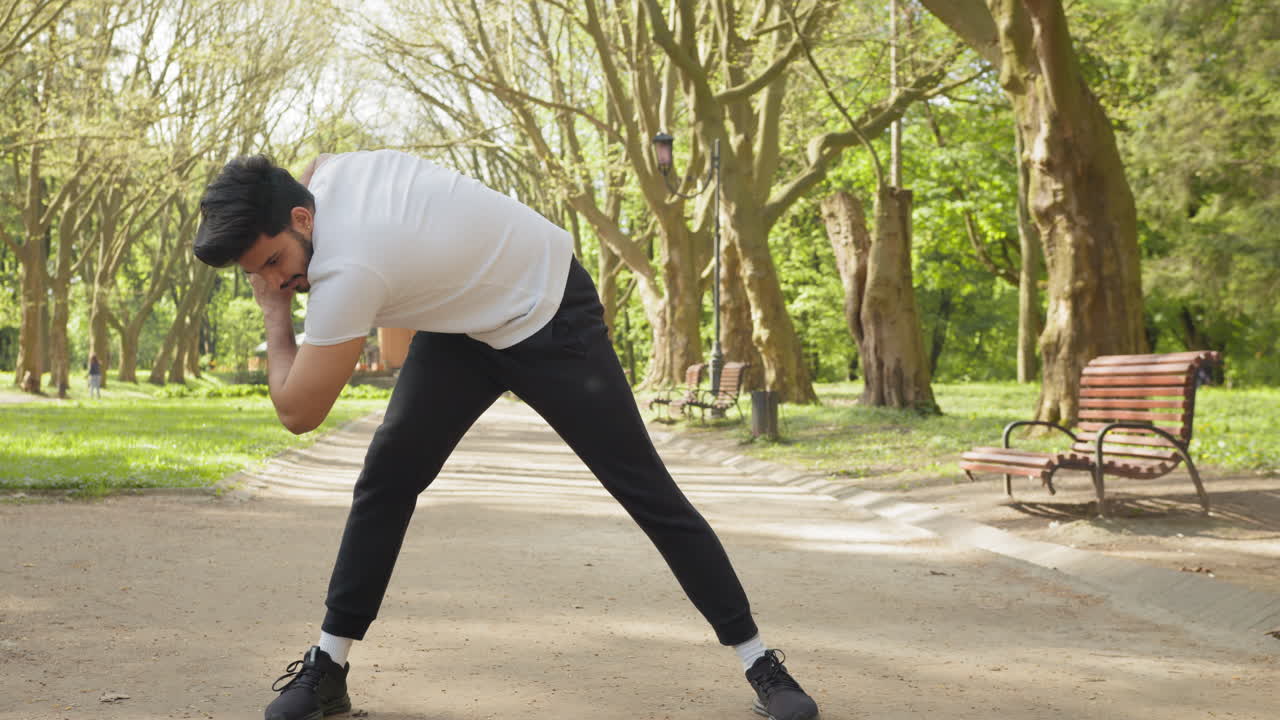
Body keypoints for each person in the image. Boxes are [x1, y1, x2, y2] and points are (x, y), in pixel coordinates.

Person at [193, 150, 821, 720]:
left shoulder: (347, 266)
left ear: (303, 218)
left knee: (641, 485)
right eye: (260, 275)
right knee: (388, 474)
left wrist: (277, 316)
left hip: (545, 309)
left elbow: (297, 412)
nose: (274, 282)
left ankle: (759, 660)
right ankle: (328, 668)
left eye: (274, 263)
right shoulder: (323, 178)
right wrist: (335, 297)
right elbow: (317, 160)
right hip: (461, 325)